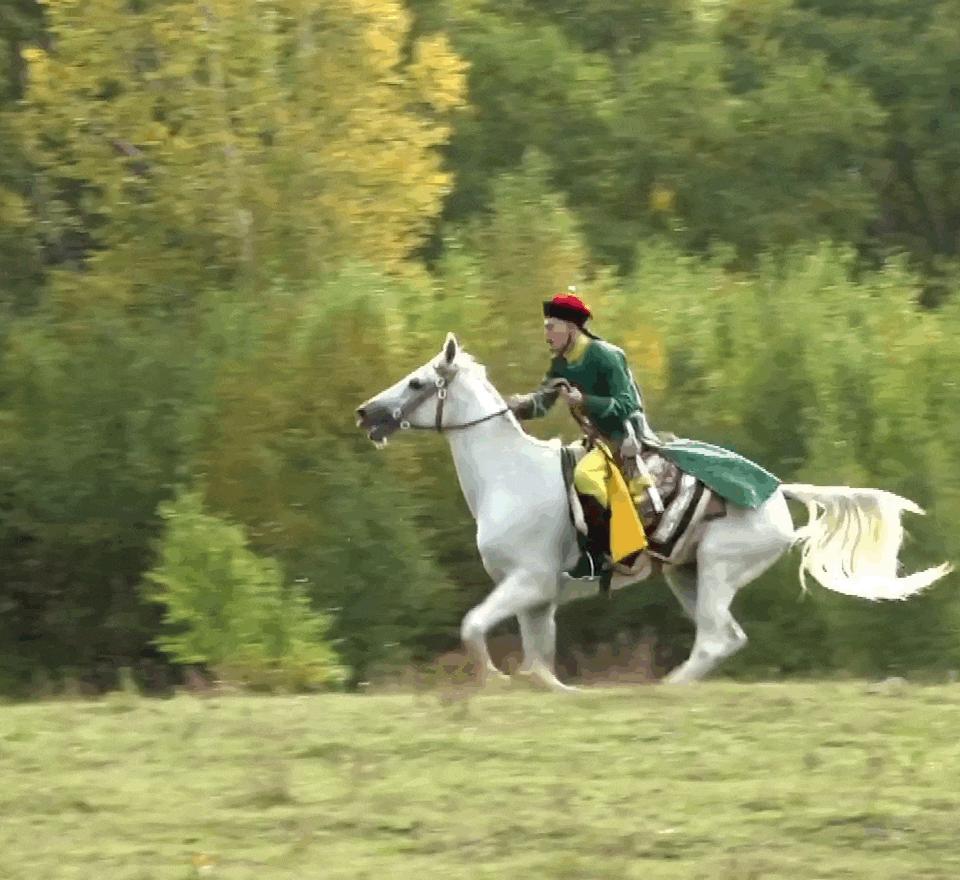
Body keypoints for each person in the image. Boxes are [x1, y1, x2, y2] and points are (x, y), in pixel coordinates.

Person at [508, 290, 658, 587]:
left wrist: (584, 400)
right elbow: (543, 401)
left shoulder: (606, 355)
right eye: (546, 327)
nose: (547, 333)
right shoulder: (561, 363)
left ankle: (601, 557)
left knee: (586, 476)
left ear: (571, 328)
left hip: (623, 435)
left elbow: (628, 404)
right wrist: (513, 407)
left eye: (551, 326)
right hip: (596, 441)